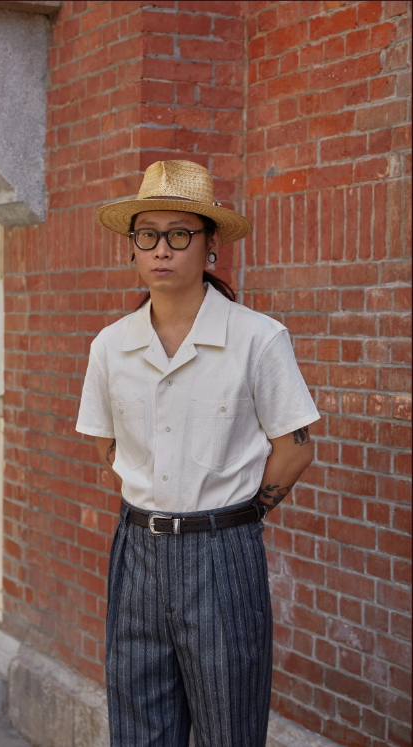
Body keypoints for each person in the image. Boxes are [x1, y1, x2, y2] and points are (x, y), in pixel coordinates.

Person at [76, 160, 320, 747]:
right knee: (137, 728)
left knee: (228, 726)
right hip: (137, 551)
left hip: (221, 551)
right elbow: (107, 444)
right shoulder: (111, 345)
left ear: (211, 246)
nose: (162, 249)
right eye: (147, 235)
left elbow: (294, 449)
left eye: (180, 234)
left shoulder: (257, 338)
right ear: (132, 247)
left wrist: (240, 515)